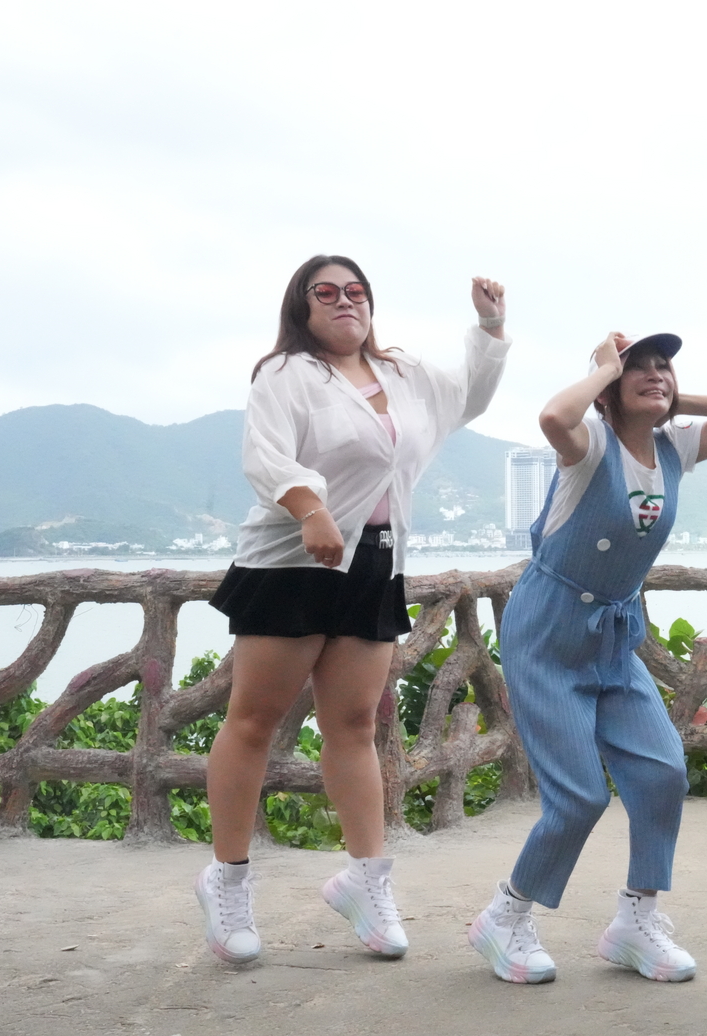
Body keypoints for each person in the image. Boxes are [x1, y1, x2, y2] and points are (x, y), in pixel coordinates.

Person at [194, 255, 511, 964]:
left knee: (355, 724)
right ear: (302, 307)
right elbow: (266, 456)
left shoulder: (403, 374)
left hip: (374, 560)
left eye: (357, 291)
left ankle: (367, 884)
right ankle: (227, 883)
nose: (346, 302)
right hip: (291, 561)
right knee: (254, 721)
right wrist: (310, 509)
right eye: (328, 292)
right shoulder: (285, 374)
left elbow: (469, 397)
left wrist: (489, 328)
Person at [468, 330, 707, 984]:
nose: (655, 373)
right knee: (579, 796)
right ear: (609, 386)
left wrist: (674, 398)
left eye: (664, 365)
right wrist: (605, 371)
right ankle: (506, 915)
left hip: (613, 634)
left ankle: (636, 921)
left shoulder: (674, 449)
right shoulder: (589, 444)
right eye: (639, 367)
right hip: (547, 634)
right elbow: (553, 417)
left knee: (663, 771)